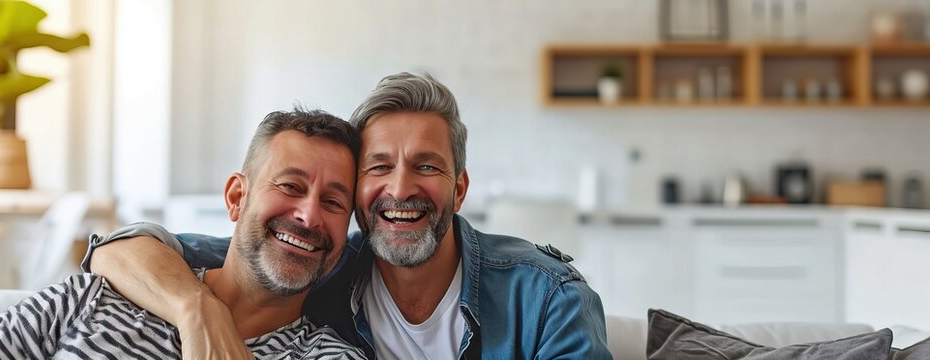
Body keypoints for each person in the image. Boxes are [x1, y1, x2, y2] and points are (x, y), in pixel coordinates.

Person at [87, 73, 612, 359]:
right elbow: (125, 248)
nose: (401, 188)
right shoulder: (320, 264)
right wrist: (196, 310)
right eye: (379, 166)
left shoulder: (546, 297)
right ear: (358, 191)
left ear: (459, 189)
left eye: (426, 166)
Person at [0, 109, 366, 359]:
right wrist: (198, 311)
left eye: (333, 203)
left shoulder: (329, 357)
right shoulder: (92, 297)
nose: (309, 215)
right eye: (290, 187)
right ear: (236, 197)